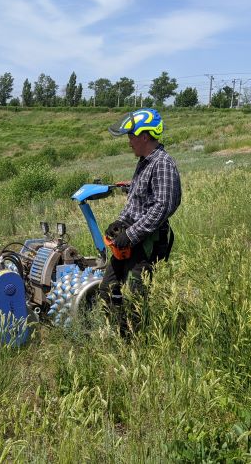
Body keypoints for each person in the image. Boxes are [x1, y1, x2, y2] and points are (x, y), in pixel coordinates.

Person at [100, 108, 181, 335]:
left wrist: (131, 235)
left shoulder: (163, 163)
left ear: (144, 136)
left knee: (136, 296)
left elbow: (162, 207)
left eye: (131, 136)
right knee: (107, 289)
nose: (129, 142)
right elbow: (136, 201)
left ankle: (138, 342)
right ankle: (118, 334)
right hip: (128, 240)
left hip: (147, 243)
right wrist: (119, 223)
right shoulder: (144, 162)